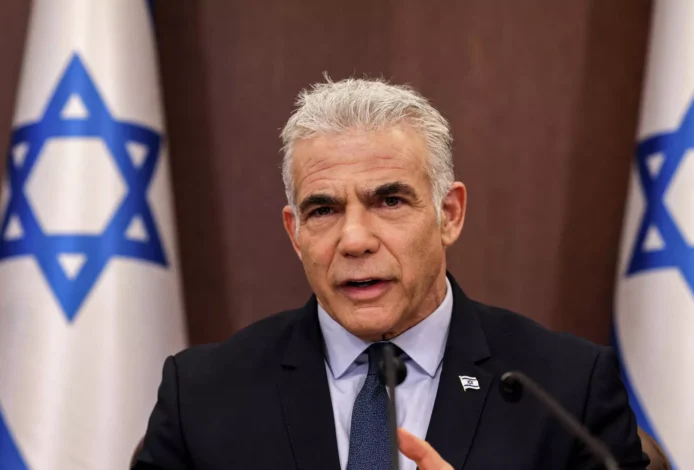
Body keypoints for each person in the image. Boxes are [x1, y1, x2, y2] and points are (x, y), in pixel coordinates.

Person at [133, 77, 648, 469]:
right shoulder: (203, 395)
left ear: (449, 214)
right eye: (324, 210)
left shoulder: (566, 389)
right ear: (295, 233)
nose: (355, 239)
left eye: (390, 201)